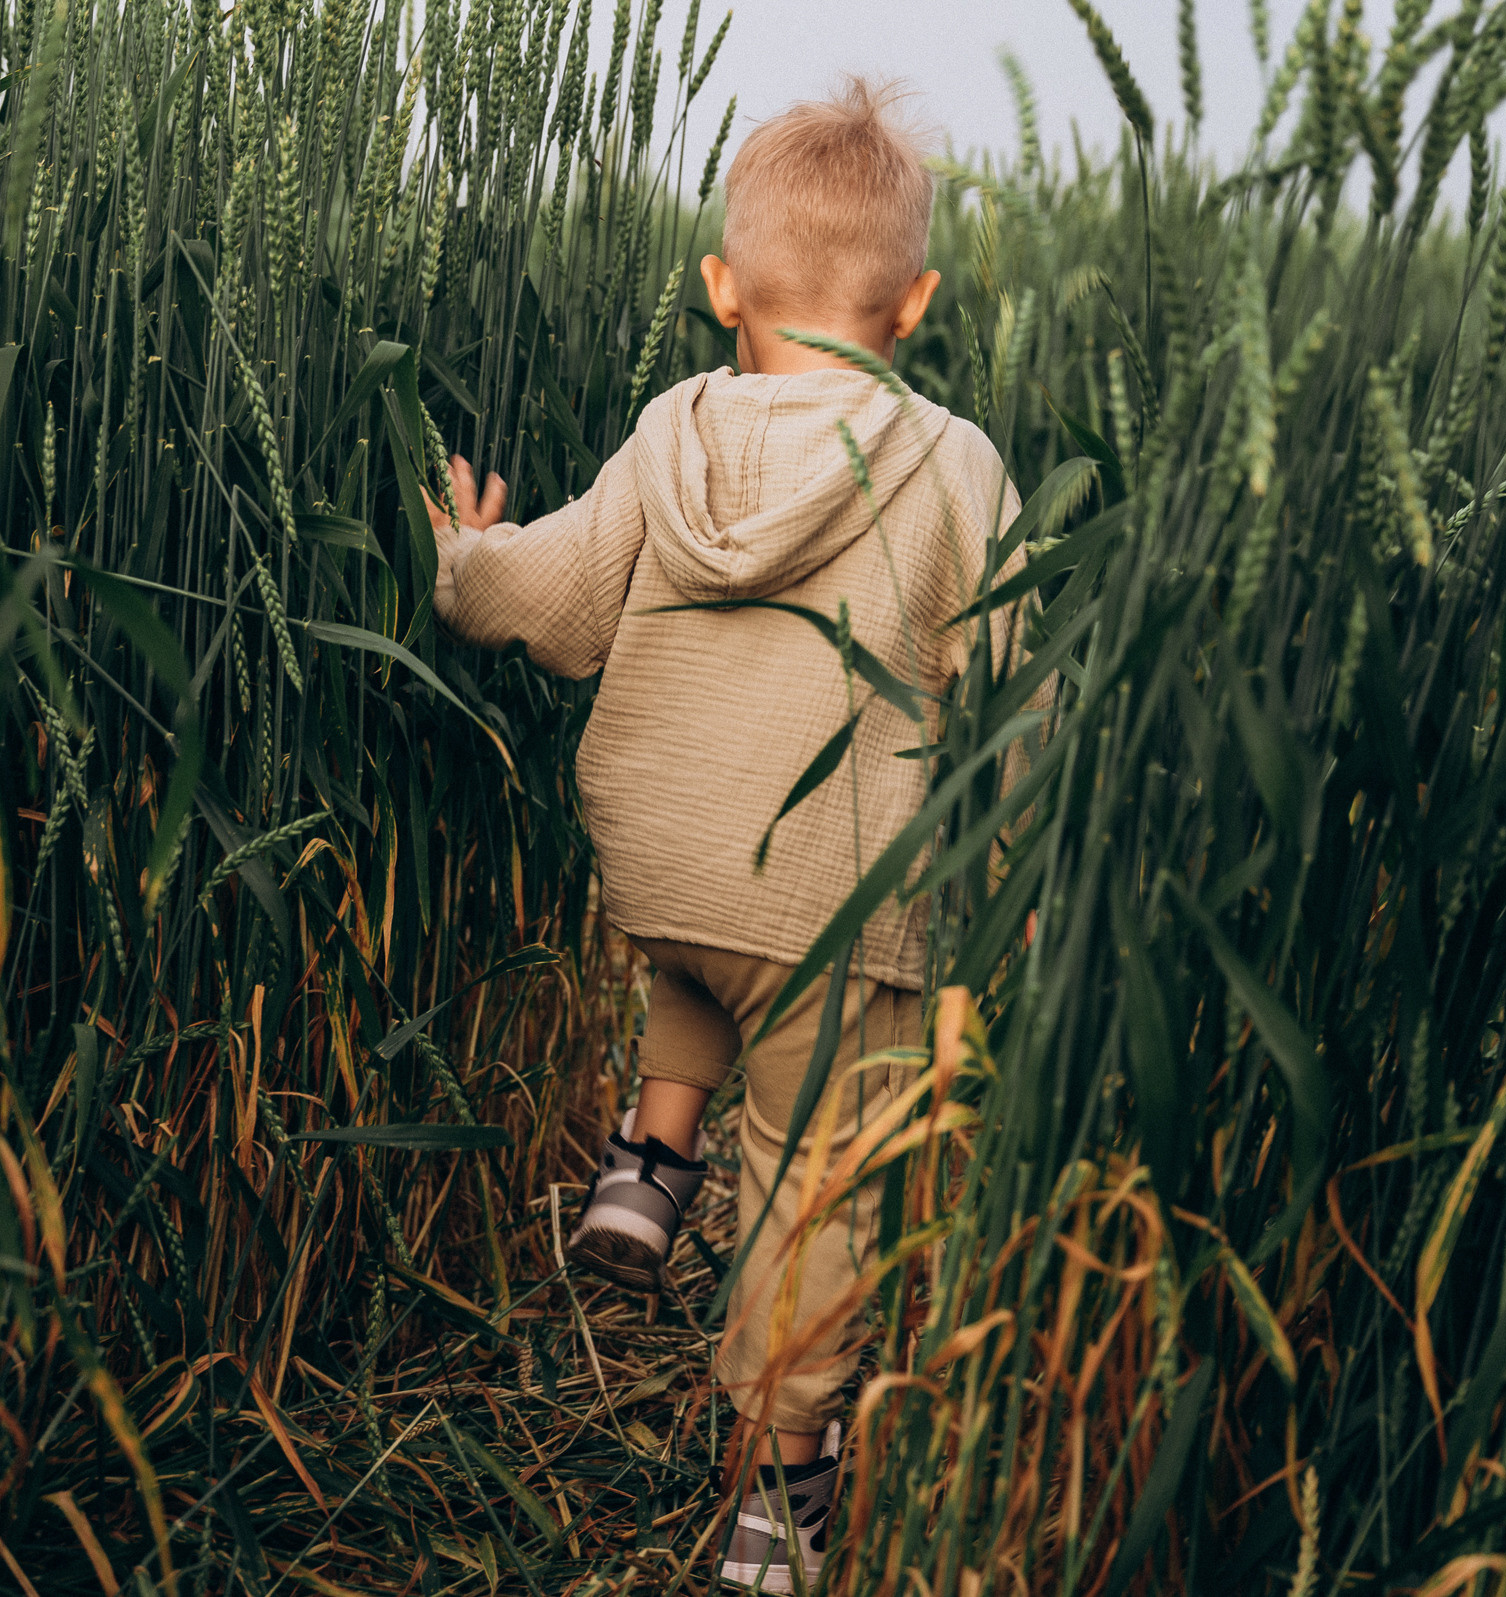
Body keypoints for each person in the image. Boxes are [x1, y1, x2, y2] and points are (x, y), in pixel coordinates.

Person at [424, 78, 1028, 1591]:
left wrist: (466, 556)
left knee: (706, 921)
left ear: (718, 291)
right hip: (835, 908)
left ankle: (644, 1161)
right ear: (917, 305)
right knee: (812, 1184)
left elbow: (553, 607)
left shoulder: (668, 429)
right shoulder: (953, 463)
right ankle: (781, 1490)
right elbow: (1021, 689)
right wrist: (1007, 873)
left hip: (664, 872)